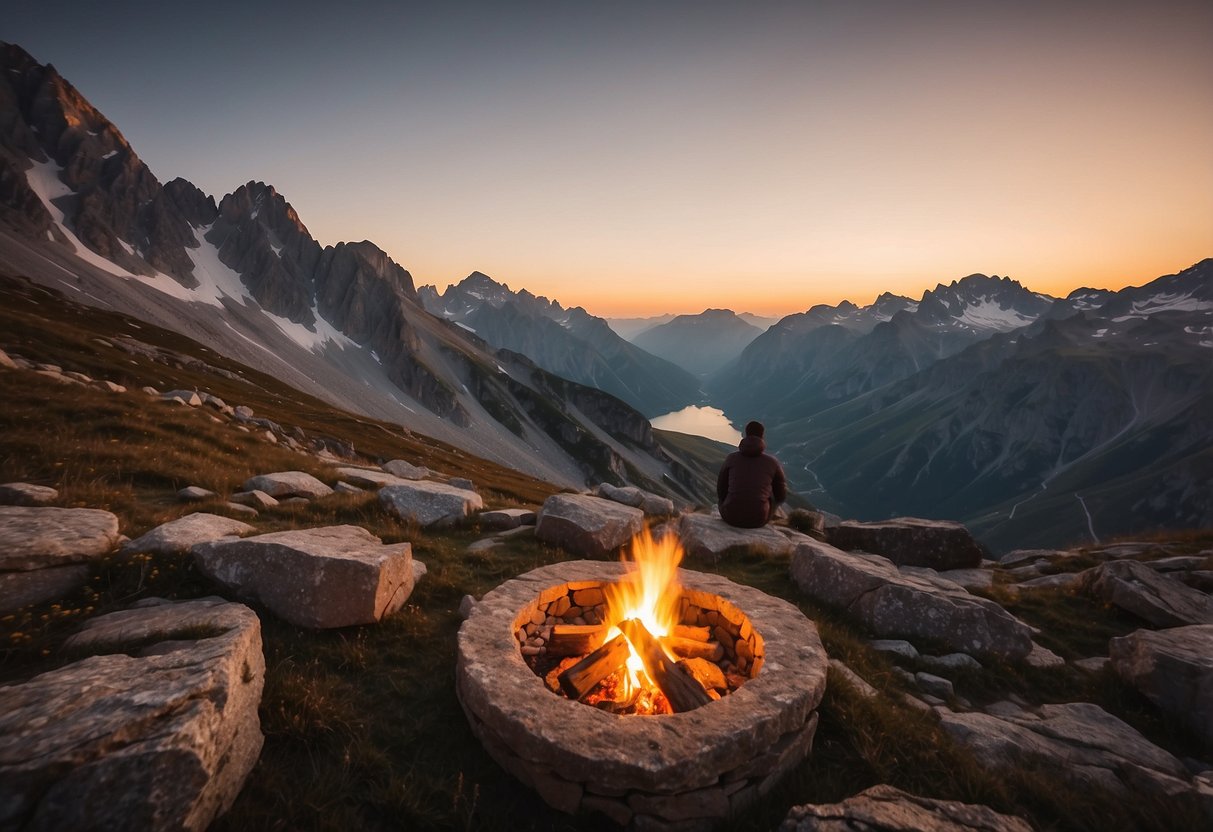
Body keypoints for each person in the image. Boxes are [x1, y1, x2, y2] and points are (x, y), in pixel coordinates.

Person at [717, 420, 787, 528]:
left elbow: (721, 491)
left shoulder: (731, 458)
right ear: (762, 436)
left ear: (746, 434)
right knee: (771, 492)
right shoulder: (772, 462)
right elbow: (781, 496)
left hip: (730, 516)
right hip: (758, 520)